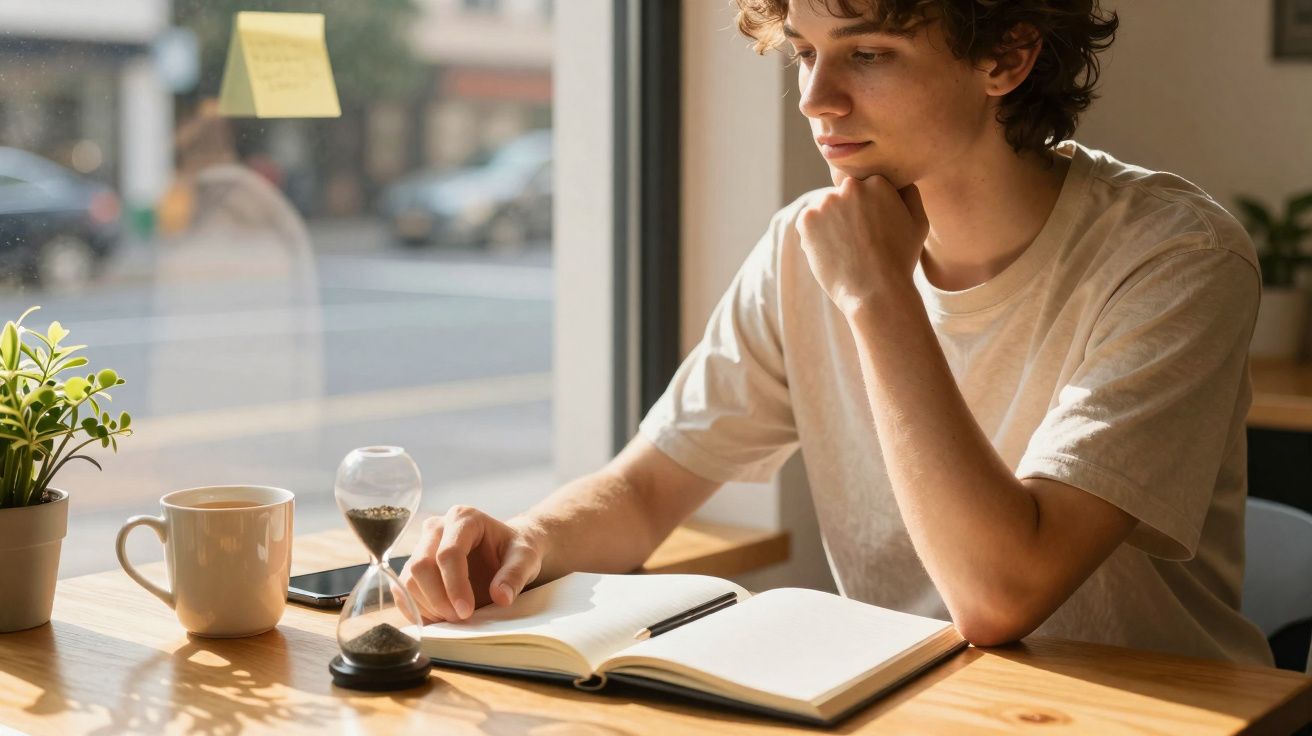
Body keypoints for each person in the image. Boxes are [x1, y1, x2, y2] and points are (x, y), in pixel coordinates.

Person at [400, 0, 1274, 666]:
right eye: (805, 53)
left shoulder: (1177, 256)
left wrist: (876, 295)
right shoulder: (803, 245)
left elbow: (1001, 597)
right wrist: (528, 540)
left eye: (868, 53)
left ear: (1007, 57)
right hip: (908, 706)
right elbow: (645, 490)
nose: (816, 99)